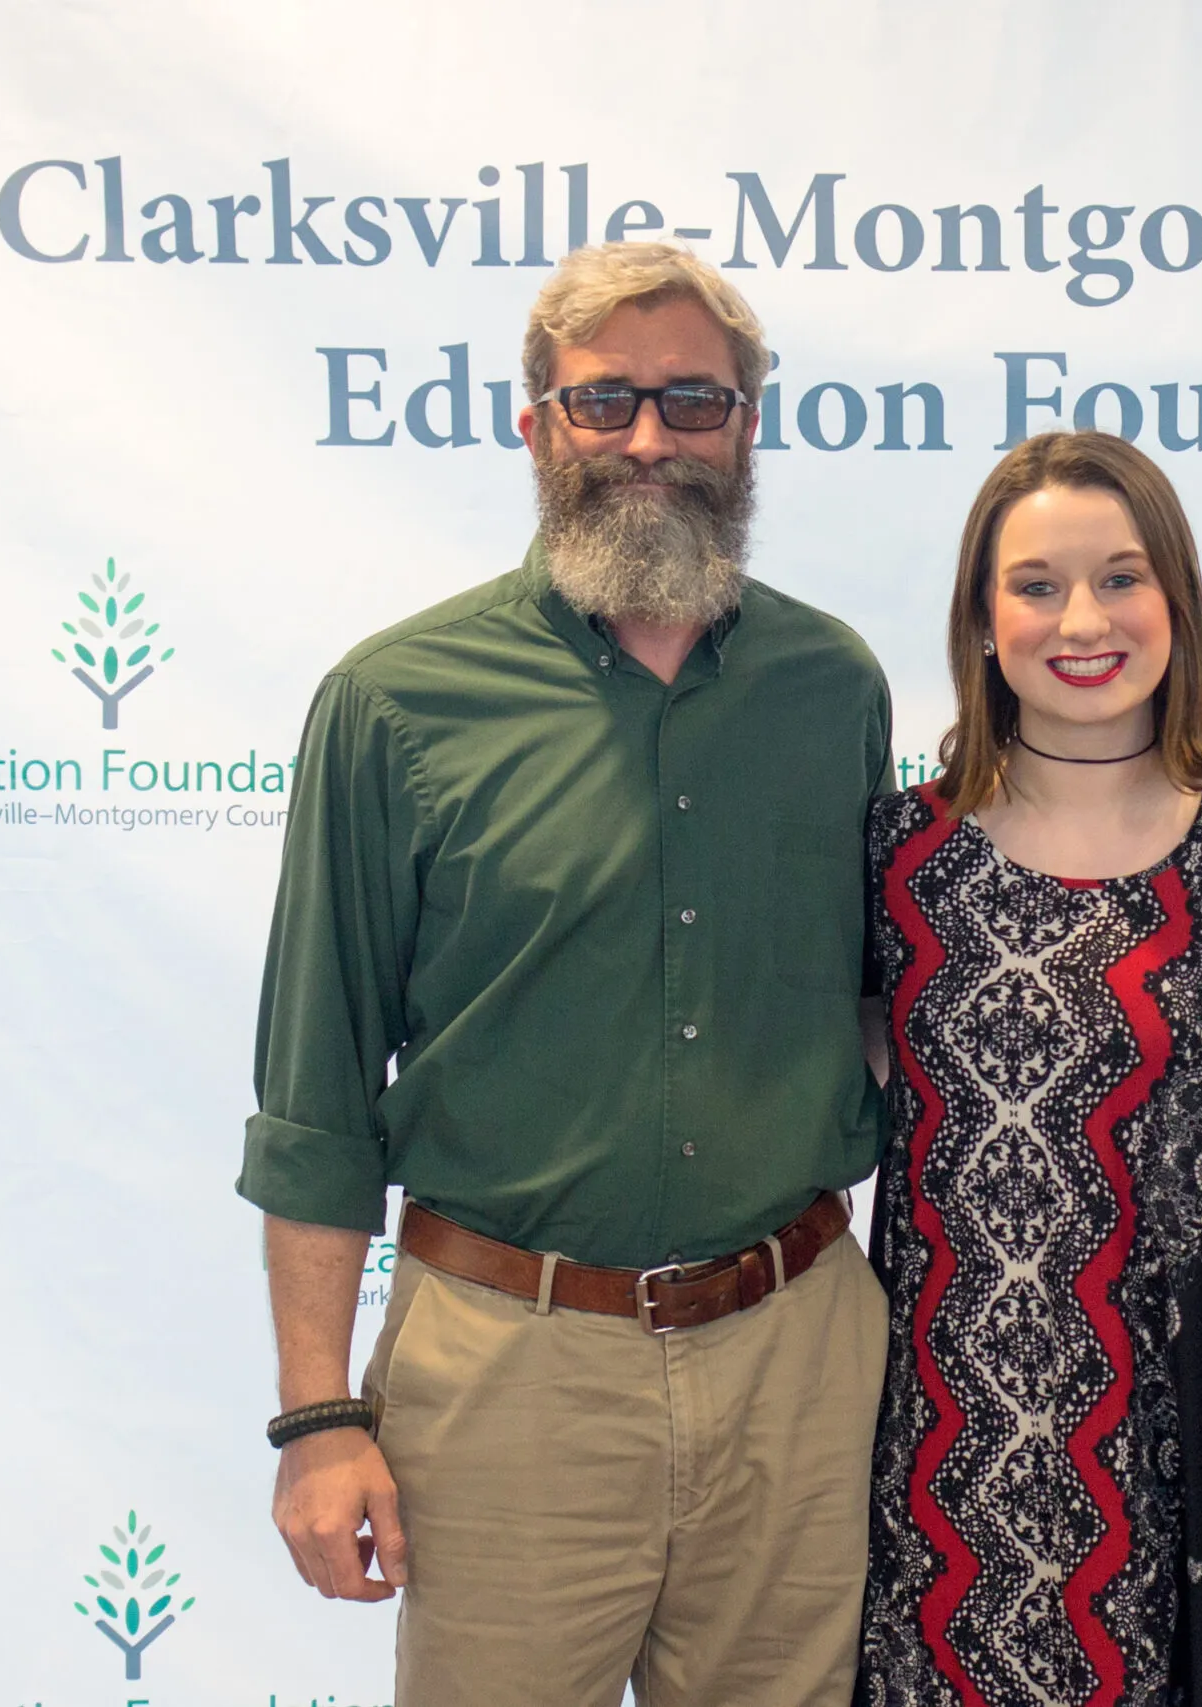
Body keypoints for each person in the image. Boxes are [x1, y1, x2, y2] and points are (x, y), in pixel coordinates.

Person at [238, 242, 892, 1706]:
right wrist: (315, 1418)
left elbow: (879, 1001)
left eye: (692, 400)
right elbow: (316, 1091)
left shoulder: (833, 685)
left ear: (747, 427)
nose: (649, 438)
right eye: (606, 401)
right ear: (537, 425)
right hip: (507, 1371)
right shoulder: (395, 702)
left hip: (798, 1355)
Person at [858, 432, 1202, 1707]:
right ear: (981, 620)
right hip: (938, 1471)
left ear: (1176, 600)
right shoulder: (893, 860)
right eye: (1036, 585)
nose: (1082, 620)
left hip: (1201, 1462)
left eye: (1122, 578)